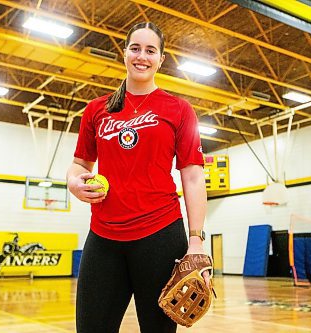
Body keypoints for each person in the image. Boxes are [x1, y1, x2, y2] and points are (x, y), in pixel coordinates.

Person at [67, 22, 209, 333]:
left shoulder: (179, 110)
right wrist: (74, 182)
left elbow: (194, 177)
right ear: (124, 54)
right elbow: (80, 164)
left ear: (161, 59)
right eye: (135, 48)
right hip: (104, 237)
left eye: (150, 50)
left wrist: (196, 240)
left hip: (160, 237)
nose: (141, 56)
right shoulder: (96, 110)